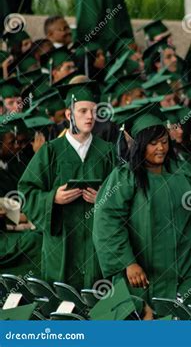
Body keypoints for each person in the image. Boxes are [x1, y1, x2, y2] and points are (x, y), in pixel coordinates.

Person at [93, 109, 191, 306]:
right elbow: (107, 222)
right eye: (153, 143)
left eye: (164, 141)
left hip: (186, 271)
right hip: (143, 274)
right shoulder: (126, 177)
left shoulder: (182, 171)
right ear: (140, 145)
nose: (160, 148)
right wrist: (128, 263)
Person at [18, 81, 117, 290]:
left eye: (93, 111)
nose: (90, 116)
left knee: (96, 304)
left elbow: (123, 193)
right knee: (62, 304)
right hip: (60, 243)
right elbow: (26, 192)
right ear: (68, 114)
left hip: (96, 243)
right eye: (83, 111)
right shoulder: (51, 151)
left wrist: (103, 197)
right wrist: (52, 198)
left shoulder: (107, 151)